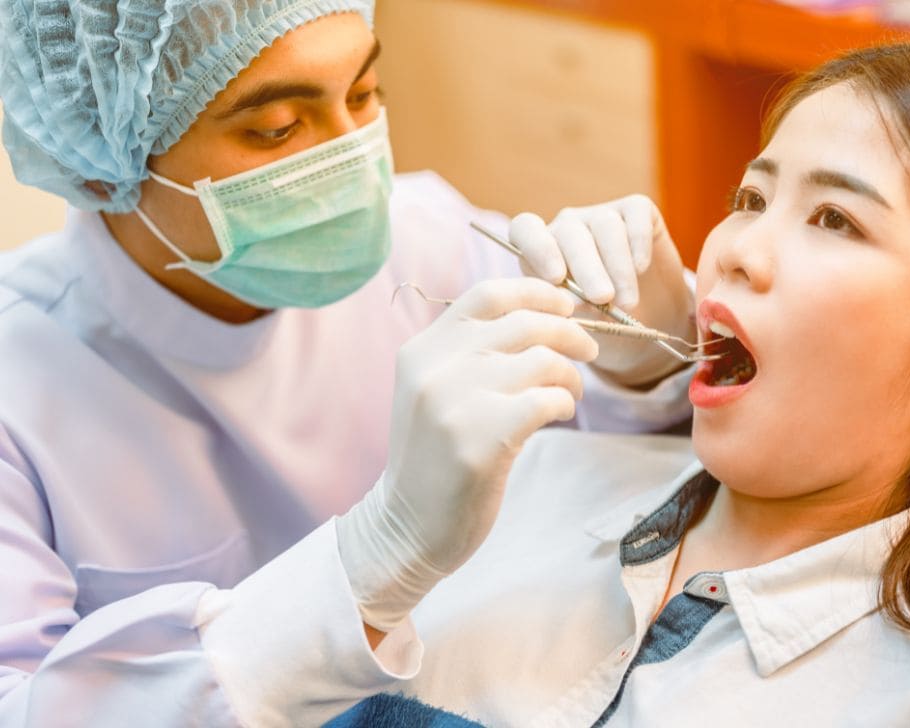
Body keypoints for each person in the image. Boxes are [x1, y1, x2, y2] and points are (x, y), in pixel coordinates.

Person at [0, 1, 699, 724]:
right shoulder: (19, 390)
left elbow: (636, 461)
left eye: (365, 94)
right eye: (276, 128)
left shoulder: (424, 237)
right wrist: (372, 565)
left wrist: (644, 361)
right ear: (95, 167)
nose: (355, 159)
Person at [319, 42, 910, 726]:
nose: (734, 252)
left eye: (834, 219)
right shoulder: (531, 479)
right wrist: (375, 575)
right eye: (750, 197)